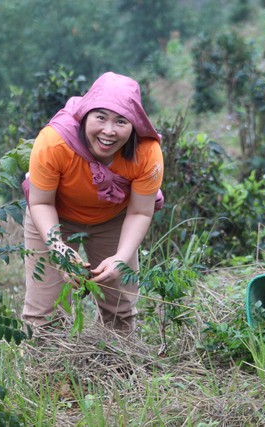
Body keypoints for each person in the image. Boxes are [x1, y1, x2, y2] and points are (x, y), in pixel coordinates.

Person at [21, 71, 164, 334]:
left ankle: (121, 367)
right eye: (100, 117)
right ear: (85, 115)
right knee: (43, 313)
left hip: (114, 218)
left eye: (121, 121)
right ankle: (41, 371)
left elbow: (140, 212)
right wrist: (58, 249)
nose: (109, 131)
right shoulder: (54, 143)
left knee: (120, 309)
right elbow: (41, 203)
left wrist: (121, 259)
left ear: (134, 124)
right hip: (53, 217)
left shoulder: (147, 153)